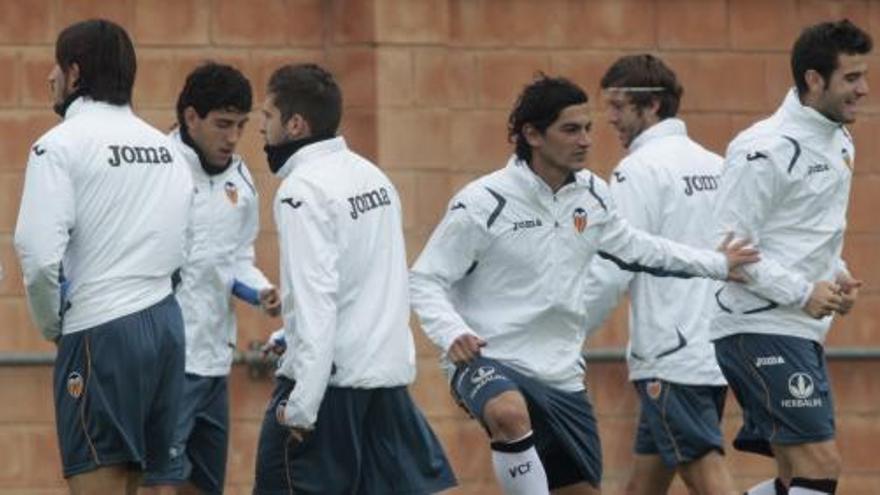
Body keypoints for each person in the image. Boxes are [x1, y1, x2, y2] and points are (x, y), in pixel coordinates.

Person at [409, 74, 759, 495]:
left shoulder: (593, 195)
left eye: (588, 128)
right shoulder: (483, 202)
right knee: (508, 413)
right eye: (571, 129)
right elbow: (426, 278)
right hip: (489, 358)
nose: (586, 140)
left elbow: (640, 247)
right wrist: (452, 332)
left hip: (560, 372)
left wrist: (718, 263)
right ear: (532, 135)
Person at [252, 63, 457, 495]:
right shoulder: (372, 176)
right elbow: (364, 286)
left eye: (267, 117)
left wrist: (302, 408)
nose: (260, 128)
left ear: (295, 124)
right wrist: (290, 334)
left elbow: (317, 299)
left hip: (327, 391)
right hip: (384, 387)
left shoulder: (300, 191)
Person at [13, 19, 192, 495]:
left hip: (101, 330)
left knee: (99, 484)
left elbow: (35, 253)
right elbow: (184, 248)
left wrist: (54, 325)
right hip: (167, 327)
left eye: (56, 66)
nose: (49, 77)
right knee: (147, 485)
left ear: (74, 74)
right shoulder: (168, 149)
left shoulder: (58, 145)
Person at [711, 19, 871, 495]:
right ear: (813, 80)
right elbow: (730, 251)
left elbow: (805, 234)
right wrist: (803, 291)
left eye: (865, 76)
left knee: (793, 475)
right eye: (851, 78)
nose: (863, 89)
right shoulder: (763, 149)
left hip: (799, 329)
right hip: (758, 327)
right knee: (820, 468)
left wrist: (837, 276)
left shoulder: (840, 139)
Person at [580, 54, 735, 495]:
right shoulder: (716, 164)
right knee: (644, 485)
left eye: (618, 106)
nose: (609, 118)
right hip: (714, 349)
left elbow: (613, 266)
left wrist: (567, 332)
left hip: (671, 355)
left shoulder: (636, 171)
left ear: (651, 107)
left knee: (706, 474)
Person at [141, 62, 280, 495]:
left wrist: (262, 291)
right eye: (222, 124)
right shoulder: (155, 168)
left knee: (203, 487)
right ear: (190, 117)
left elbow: (237, 258)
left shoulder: (241, 179)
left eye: (240, 125)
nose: (233, 137)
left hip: (214, 361)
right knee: (160, 486)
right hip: (164, 361)